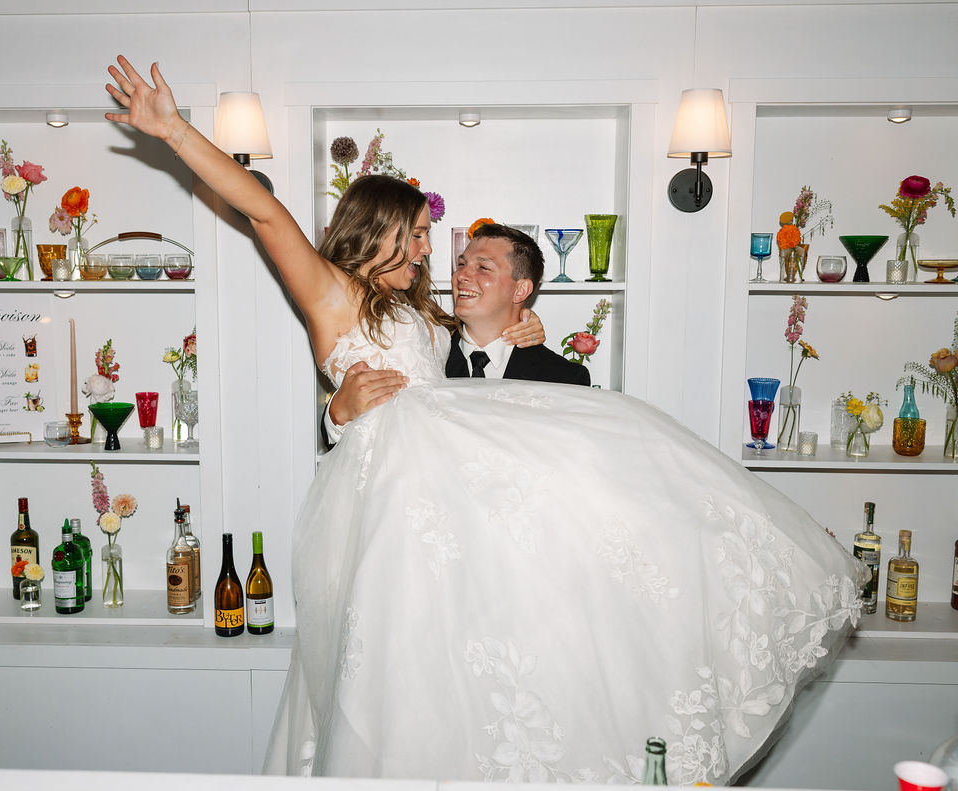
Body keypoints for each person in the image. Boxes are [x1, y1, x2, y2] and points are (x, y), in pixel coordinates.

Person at [106, 57, 869, 785]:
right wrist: (174, 131)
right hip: (395, 514)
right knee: (397, 678)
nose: (426, 250)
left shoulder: (417, 312)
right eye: (414, 234)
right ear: (376, 229)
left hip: (455, 507)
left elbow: (465, 352)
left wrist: (525, 329)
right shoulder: (333, 292)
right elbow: (265, 212)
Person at [323, 223, 588, 446]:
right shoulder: (421, 354)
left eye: (483, 268)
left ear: (520, 290)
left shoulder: (565, 379)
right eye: (461, 264)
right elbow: (362, 441)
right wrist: (337, 414)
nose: (461, 275)